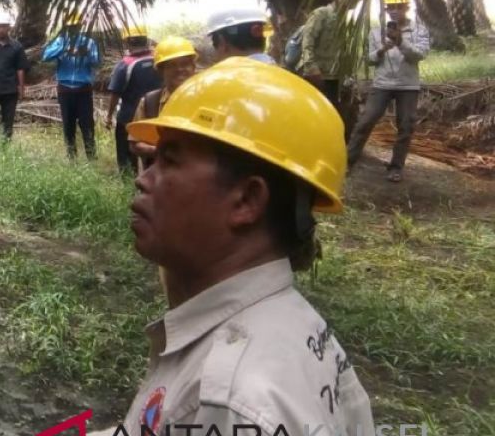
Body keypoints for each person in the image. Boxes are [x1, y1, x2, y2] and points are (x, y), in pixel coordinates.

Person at [94, 59, 374, 435]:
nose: (144, 179)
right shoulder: (288, 323)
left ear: (247, 200)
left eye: (170, 160)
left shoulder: (235, 403)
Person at [346, 0, 430, 183]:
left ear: (406, 8)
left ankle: (396, 167)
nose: (393, 11)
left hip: (408, 85)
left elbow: (420, 55)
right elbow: (369, 60)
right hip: (382, 84)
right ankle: (348, 161)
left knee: (406, 125)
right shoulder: (377, 31)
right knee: (366, 120)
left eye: (397, 7)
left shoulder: (419, 30)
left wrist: (401, 41)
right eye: (389, 7)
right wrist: (381, 50)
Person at [128, 36, 197, 171]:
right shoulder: (149, 102)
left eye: (185, 64)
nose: (180, 69)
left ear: (193, 67)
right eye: (172, 65)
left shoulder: (206, 99)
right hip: (161, 178)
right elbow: (135, 144)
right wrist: (161, 152)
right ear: (160, 70)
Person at [42, 12, 100, 161]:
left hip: (83, 90)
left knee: (87, 124)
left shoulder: (89, 43)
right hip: (65, 90)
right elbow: (46, 56)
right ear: (66, 27)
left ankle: (91, 157)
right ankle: (71, 157)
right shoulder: (59, 42)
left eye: (76, 26)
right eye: (70, 27)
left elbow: (96, 61)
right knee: (68, 124)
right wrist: (64, 49)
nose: (73, 29)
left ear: (80, 26)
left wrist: (86, 54)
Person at [104, 26, 161, 173]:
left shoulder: (125, 65)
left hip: (129, 117)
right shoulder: (159, 60)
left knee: (126, 154)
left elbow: (115, 94)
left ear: (127, 42)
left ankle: (128, 182)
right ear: (146, 40)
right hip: (156, 116)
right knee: (153, 154)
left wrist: (109, 116)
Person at [298, 0, 354, 114]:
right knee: (312, 112)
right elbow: (307, 41)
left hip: (334, 76)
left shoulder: (346, 19)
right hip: (316, 75)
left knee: (330, 112)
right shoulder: (322, 13)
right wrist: (311, 67)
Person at [206, 7, 274, 64]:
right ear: (258, 31)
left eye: (214, 42)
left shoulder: (213, 79)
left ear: (222, 42)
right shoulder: (283, 74)